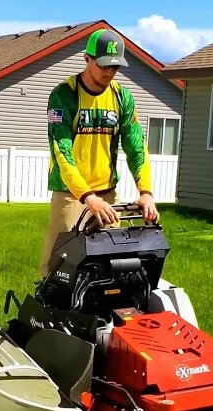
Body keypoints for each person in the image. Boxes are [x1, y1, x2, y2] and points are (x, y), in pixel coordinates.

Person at [40, 28, 159, 276]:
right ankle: (50, 311)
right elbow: (62, 153)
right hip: (71, 194)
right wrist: (88, 198)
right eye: (104, 65)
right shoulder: (64, 95)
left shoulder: (121, 97)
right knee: (60, 266)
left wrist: (145, 192)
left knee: (112, 264)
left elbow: (136, 146)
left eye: (114, 67)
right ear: (87, 59)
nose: (109, 72)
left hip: (107, 194)